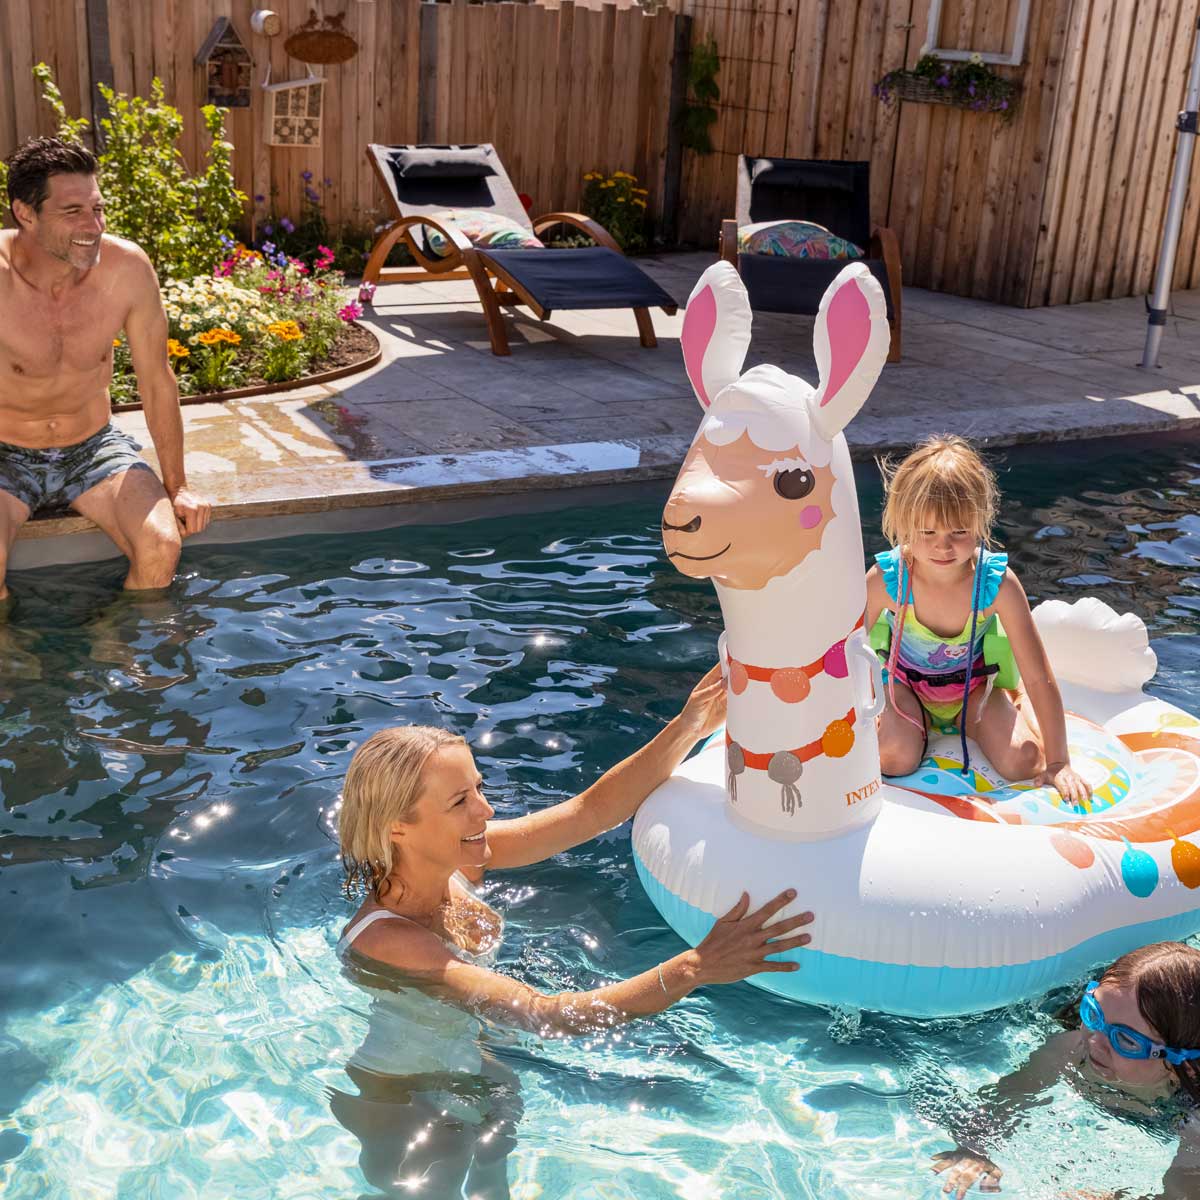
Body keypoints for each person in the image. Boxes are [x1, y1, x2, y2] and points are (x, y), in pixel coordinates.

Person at [333, 666, 815, 1194]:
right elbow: (543, 1014)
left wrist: (688, 725)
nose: (486, 810)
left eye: (478, 788)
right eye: (459, 802)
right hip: (404, 1107)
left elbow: (592, 811)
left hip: (475, 1068)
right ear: (398, 827)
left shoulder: (459, 858)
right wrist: (696, 967)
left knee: (494, 1176)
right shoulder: (388, 939)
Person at [0, 136, 210, 599]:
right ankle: (17, 668)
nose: (93, 225)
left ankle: (115, 650)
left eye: (97, 209)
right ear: (25, 212)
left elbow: (156, 381)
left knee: (160, 547)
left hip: (91, 448)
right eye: (72, 211)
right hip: (4, 452)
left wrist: (178, 486)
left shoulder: (126, 268)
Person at [864, 434, 1091, 804]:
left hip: (974, 690)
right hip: (905, 690)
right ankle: (908, 724)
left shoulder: (995, 584)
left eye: (960, 531)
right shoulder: (890, 579)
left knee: (1024, 761)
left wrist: (1060, 760)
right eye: (927, 532)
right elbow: (843, 654)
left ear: (980, 522)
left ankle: (1015, 706)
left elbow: (1037, 674)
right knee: (894, 758)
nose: (943, 545)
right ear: (903, 522)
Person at [925, 942, 1200, 1200]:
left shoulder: (1192, 1117)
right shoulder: (1070, 1049)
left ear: (1182, 1064)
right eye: (1094, 1014)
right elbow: (1005, 1102)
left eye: (1125, 1040)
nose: (1094, 1040)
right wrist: (972, 1149)